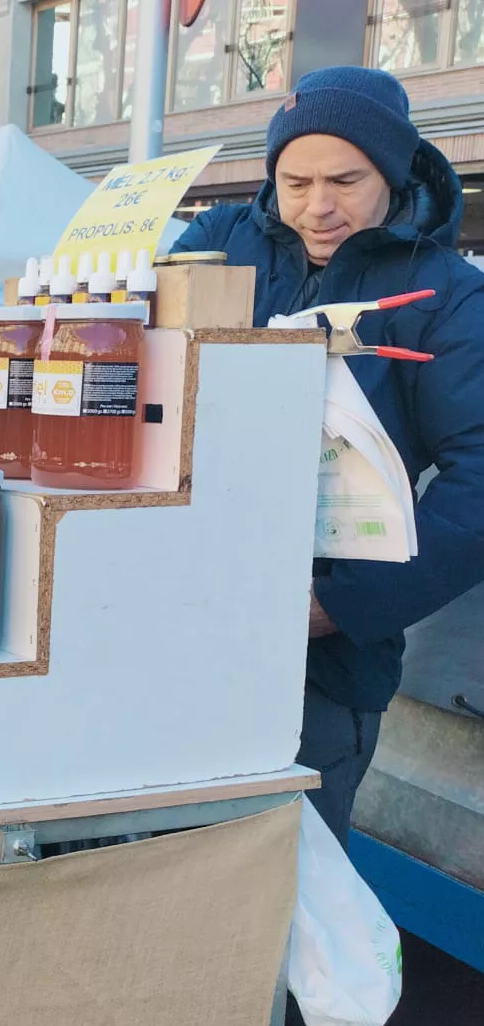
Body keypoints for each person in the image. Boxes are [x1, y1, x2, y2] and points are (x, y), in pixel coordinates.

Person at [172, 66, 484, 849]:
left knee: (282, 879)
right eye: (295, 180)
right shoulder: (215, 245)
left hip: (324, 663)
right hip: (176, 619)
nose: (319, 206)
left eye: (346, 179)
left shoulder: (443, 294)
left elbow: (480, 476)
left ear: (393, 170)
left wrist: (343, 606)